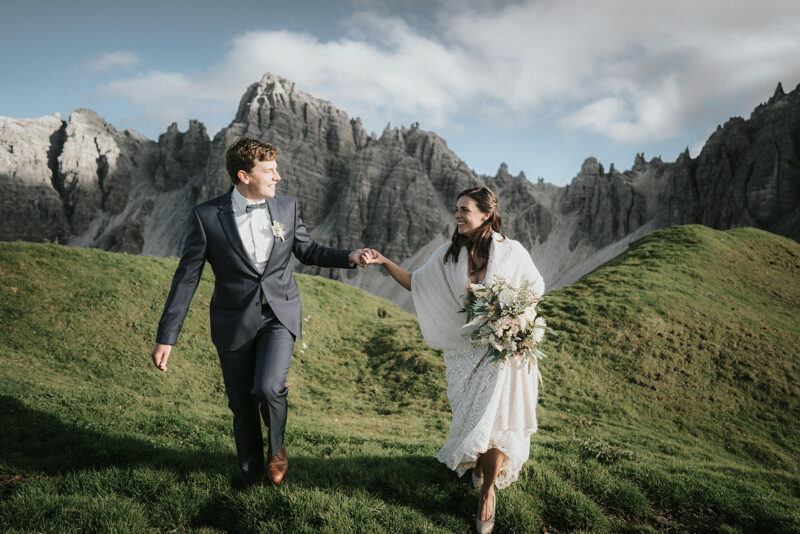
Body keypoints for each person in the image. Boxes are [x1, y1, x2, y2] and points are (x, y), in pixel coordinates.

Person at [151, 137, 370, 489]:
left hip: (278, 315)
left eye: (276, 169)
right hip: (233, 321)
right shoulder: (207, 217)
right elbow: (187, 278)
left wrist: (349, 256)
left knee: (268, 388)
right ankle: (251, 475)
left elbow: (308, 250)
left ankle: (277, 448)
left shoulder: (286, 207)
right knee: (242, 406)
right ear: (243, 175)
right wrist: (167, 337)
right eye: (269, 171)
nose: (277, 177)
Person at [363, 186, 544, 534]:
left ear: (486, 214)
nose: (457, 215)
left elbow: (535, 288)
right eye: (456, 209)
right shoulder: (447, 255)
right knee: (473, 420)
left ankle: (488, 492)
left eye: (465, 210)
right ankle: (479, 469)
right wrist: (384, 262)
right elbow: (417, 283)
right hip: (464, 353)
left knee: (496, 422)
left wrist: (515, 321)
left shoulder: (513, 252)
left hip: (502, 351)